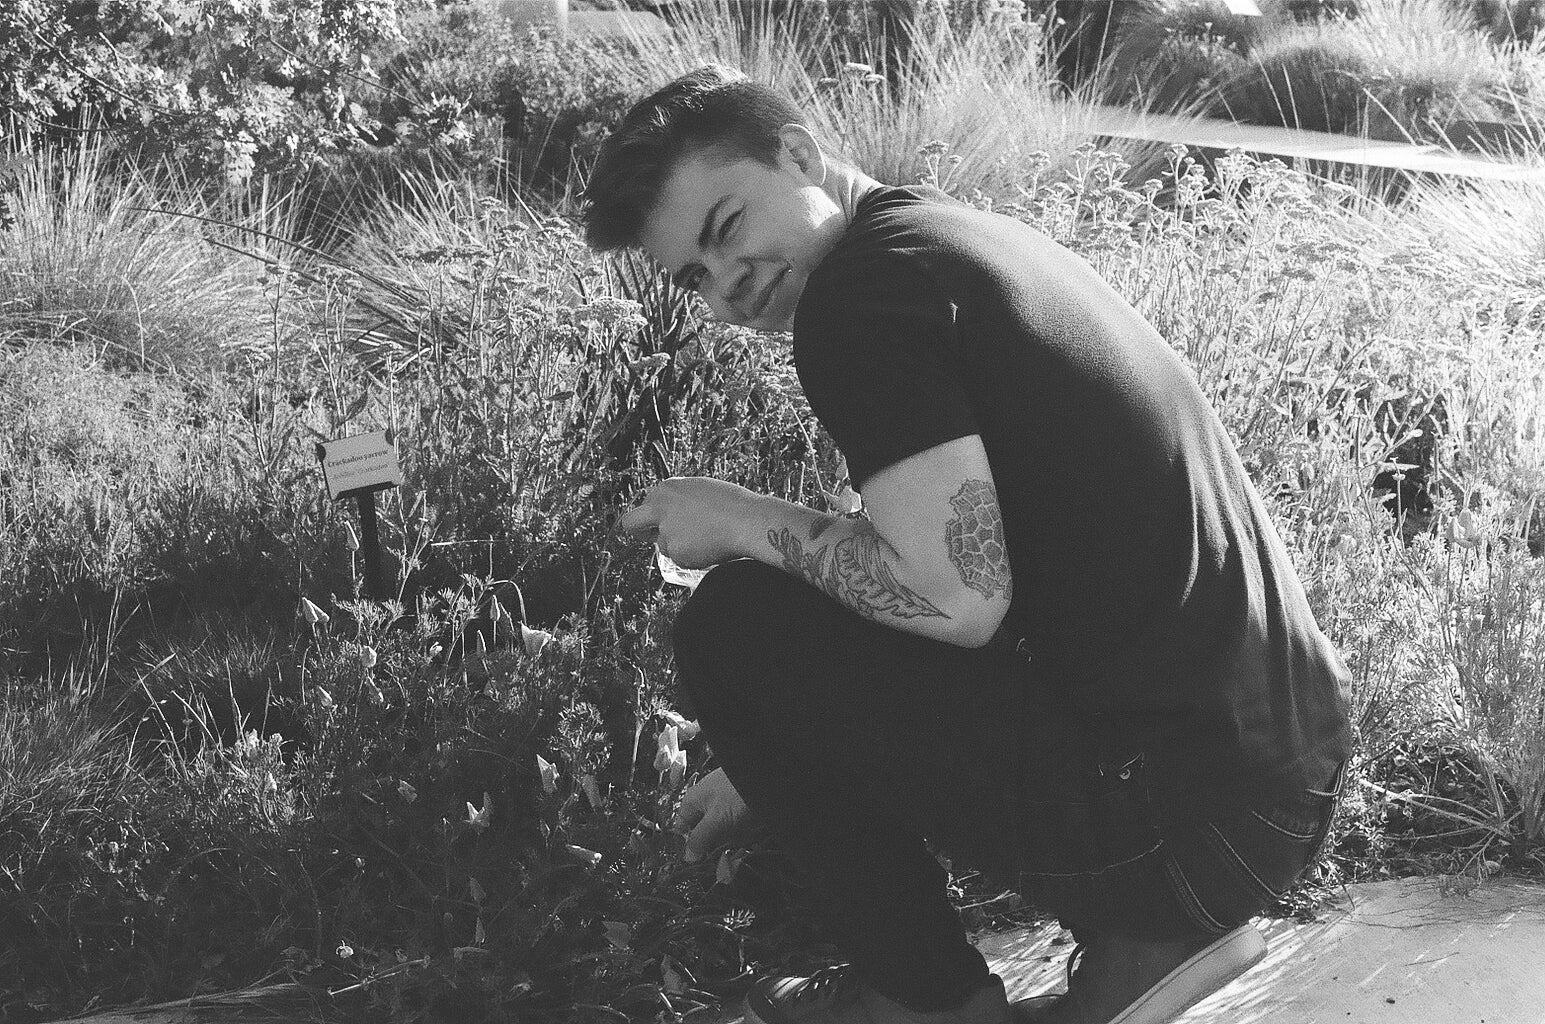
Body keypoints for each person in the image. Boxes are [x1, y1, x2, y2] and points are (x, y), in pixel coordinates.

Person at [583, 65, 1352, 1024]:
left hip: (1188, 826)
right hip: (1271, 783)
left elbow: (953, 596)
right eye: (693, 274)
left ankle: (925, 1000)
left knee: (732, 623)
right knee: (792, 619)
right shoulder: (946, 237)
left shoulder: (857, 303)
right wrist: (781, 747)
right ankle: (1136, 941)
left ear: (798, 153)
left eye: (727, 226)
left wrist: (738, 519)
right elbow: (982, 570)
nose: (726, 284)